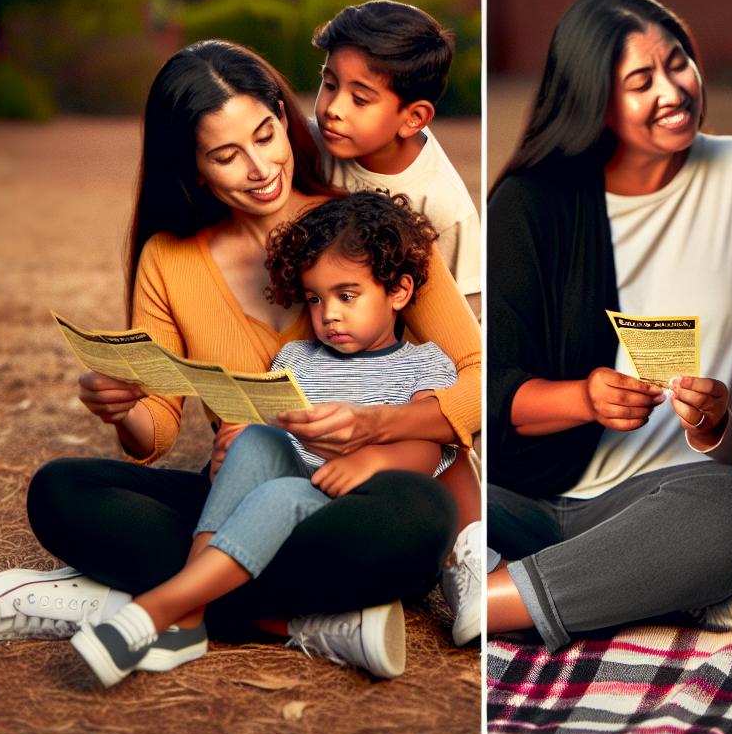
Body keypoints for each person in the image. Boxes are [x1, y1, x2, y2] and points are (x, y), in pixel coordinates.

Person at [0, 41, 481, 675]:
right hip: (235, 497)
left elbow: (476, 375)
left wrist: (376, 432)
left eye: (266, 135)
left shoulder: (369, 233)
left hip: (353, 505)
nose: (260, 168)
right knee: (61, 490)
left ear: (286, 120)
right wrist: (123, 409)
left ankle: (142, 601)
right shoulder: (170, 260)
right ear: (195, 168)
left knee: (420, 517)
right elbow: (158, 429)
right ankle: (288, 619)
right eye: (227, 155)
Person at [485, 0, 732, 651]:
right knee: (426, 483)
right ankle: (676, 591)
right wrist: (584, 398)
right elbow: (492, 389)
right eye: (640, 81)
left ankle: (483, 601)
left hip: (675, 495)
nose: (672, 90)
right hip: (526, 503)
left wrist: (716, 421)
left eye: (677, 63)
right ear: (594, 99)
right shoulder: (530, 203)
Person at [71, 191, 456, 686]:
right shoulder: (297, 359)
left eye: (347, 295)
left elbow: (427, 449)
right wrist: (233, 446)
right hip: (277, 510)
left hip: (354, 522)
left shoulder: (424, 364)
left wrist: (369, 464)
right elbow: (271, 445)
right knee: (254, 441)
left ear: (398, 291)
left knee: (385, 505)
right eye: (315, 299)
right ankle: (192, 616)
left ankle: (159, 606)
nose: (329, 314)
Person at [311, 0, 485, 644]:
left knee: (442, 412)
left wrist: (410, 408)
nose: (333, 107)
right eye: (329, 83)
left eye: (360, 97)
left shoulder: (443, 204)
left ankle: (468, 557)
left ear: (412, 117)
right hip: (327, 341)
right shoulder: (312, 149)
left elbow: (459, 335)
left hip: (404, 358)